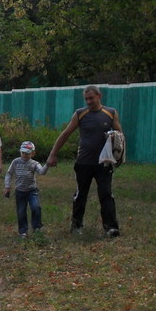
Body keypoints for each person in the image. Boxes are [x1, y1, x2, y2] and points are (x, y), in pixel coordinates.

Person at [46, 85, 123, 237]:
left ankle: (111, 228)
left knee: (106, 194)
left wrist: (117, 151)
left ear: (99, 96)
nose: (88, 101)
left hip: (104, 163)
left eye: (91, 98)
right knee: (81, 194)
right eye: (86, 99)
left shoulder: (111, 113)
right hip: (84, 162)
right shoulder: (80, 114)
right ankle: (76, 226)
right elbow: (66, 133)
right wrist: (53, 154)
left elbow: (120, 135)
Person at [4, 141, 49, 238]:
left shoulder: (34, 163)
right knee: (21, 211)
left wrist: (47, 165)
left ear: (33, 153)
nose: (24, 155)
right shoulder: (15, 162)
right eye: (23, 153)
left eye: (27, 153)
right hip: (20, 191)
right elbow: (9, 173)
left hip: (32, 191)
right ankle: (23, 231)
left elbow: (41, 172)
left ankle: (37, 228)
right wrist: (7, 186)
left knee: (36, 207)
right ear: (20, 152)